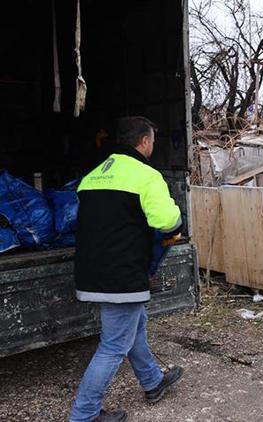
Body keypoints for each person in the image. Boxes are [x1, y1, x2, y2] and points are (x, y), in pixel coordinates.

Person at [70, 117, 184, 422]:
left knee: (133, 327)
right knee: (113, 346)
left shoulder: (92, 176)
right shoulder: (145, 176)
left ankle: (152, 381)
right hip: (123, 274)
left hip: (92, 272)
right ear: (144, 142)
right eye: (152, 143)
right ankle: (84, 414)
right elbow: (168, 223)